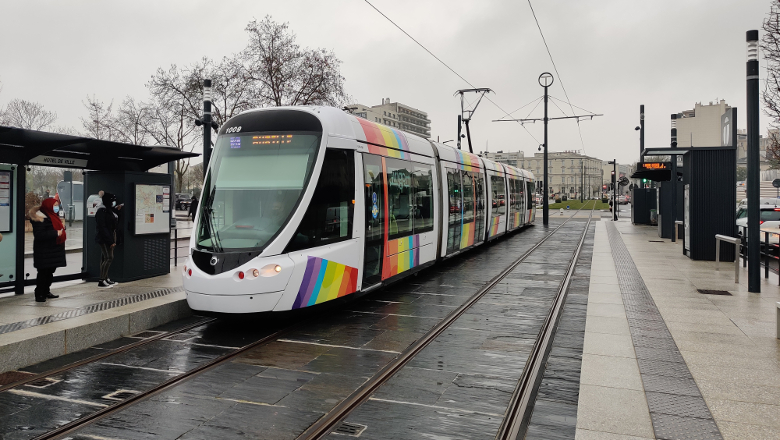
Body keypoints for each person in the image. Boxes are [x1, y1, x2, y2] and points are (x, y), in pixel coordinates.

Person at [29, 198, 66, 302]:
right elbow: (39, 235)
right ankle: (39, 294)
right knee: (43, 272)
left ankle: (46, 291)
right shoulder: (39, 218)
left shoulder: (53, 216)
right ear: (48, 206)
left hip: (54, 249)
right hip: (44, 251)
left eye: (57, 205)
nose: (56, 207)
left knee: (50, 272)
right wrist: (55, 233)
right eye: (54, 205)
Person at [95, 191, 120, 288]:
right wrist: (110, 241)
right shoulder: (102, 211)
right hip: (105, 237)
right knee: (109, 257)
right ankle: (102, 280)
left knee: (105, 257)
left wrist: (117, 210)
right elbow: (102, 227)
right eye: (112, 201)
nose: (113, 203)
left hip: (110, 235)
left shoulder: (109, 210)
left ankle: (105, 278)